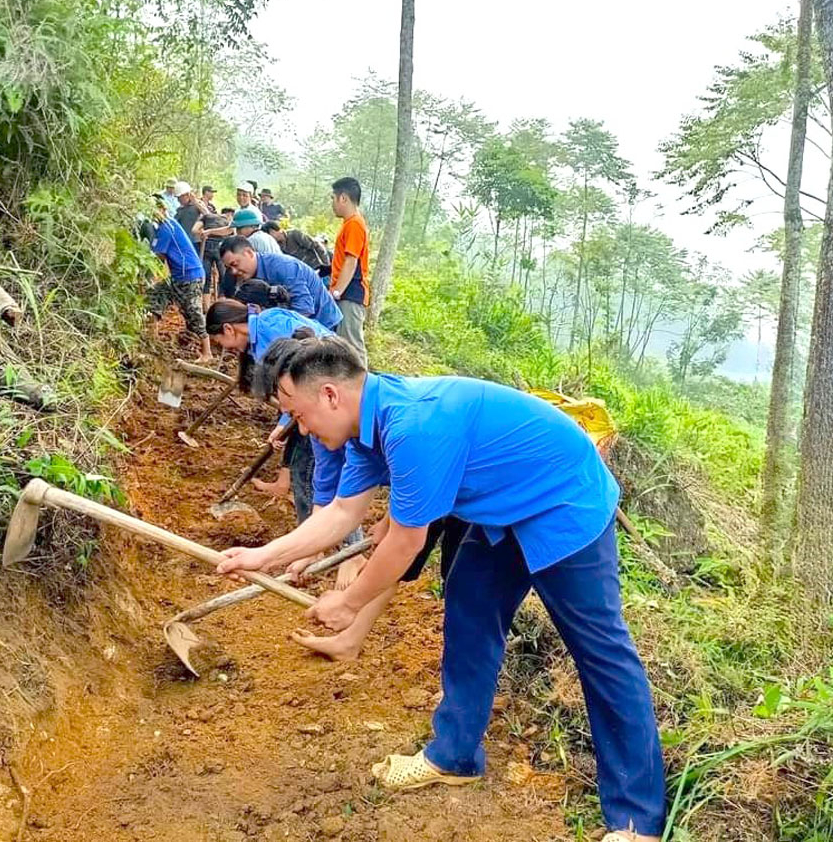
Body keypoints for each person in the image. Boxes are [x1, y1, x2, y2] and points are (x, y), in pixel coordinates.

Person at [217, 336, 664, 840]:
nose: (302, 429)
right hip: (501, 511)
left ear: (329, 396)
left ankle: (635, 820)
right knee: (469, 614)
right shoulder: (367, 432)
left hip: (563, 501)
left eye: (299, 415)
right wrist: (261, 556)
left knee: (601, 652)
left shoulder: (414, 427)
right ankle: (454, 756)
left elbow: (405, 543)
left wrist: (349, 601)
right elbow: (342, 514)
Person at [205, 299, 345, 528]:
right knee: (308, 463)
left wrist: (283, 423)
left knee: (306, 473)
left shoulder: (273, 333)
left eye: (221, 342)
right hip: (316, 399)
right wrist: (284, 422)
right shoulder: (265, 324)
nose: (226, 349)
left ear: (229, 329)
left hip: (326, 401)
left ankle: (313, 541)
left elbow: (298, 384)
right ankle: (317, 538)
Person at [219, 236, 342, 331]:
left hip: (322, 322)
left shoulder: (282, 267)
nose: (233, 271)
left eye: (235, 264)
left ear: (249, 253)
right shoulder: (249, 277)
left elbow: (304, 307)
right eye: (229, 267)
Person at [147, 197, 212, 360]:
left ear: (163, 209)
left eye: (155, 210)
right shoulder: (163, 227)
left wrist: (147, 277)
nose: (153, 214)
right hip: (177, 276)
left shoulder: (167, 227)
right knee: (156, 294)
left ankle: (207, 352)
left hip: (190, 275)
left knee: (193, 311)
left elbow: (158, 257)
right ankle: (151, 337)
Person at [329, 177, 369, 362]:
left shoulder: (354, 224)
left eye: (333, 198)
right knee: (342, 347)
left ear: (343, 198)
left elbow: (351, 261)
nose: (332, 203)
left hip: (350, 294)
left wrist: (337, 292)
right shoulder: (349, 223)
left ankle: (365, 388)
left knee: (352, 348)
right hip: (345, 293)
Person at [263, 221, 328, 272]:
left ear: (273, 231)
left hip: (317, 268)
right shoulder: (278, 246)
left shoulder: (294, 235)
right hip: (304, 273)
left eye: (269, 235)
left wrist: (326, 265)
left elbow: (317, 246)